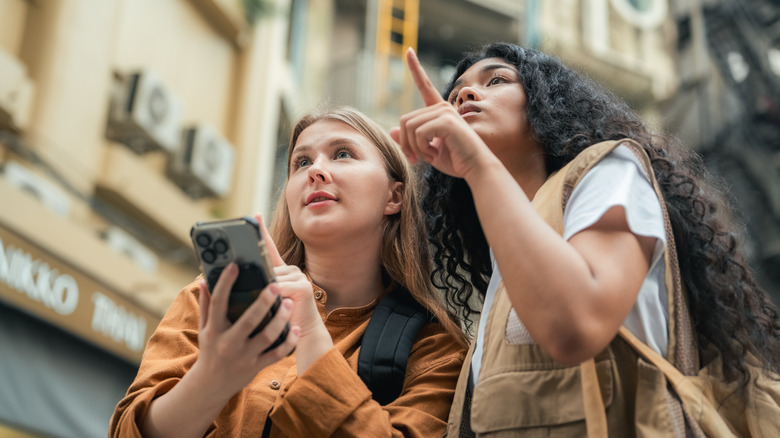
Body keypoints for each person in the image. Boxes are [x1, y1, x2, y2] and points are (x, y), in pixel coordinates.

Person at [392, 43, 780, 435]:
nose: (466, 95)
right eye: (456, 93)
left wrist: (477, 165)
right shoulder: (505, 250)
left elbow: (577, 323)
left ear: (547, 103)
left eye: (497, 80)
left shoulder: (609, 170)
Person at [109, 106, 467, 438]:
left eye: (343, 154)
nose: (315, 171)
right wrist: (213, 378)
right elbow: (128, 430)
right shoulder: (213, 300)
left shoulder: (436, 348)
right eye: (301, 162)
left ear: (395, 196)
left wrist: (311, 334)